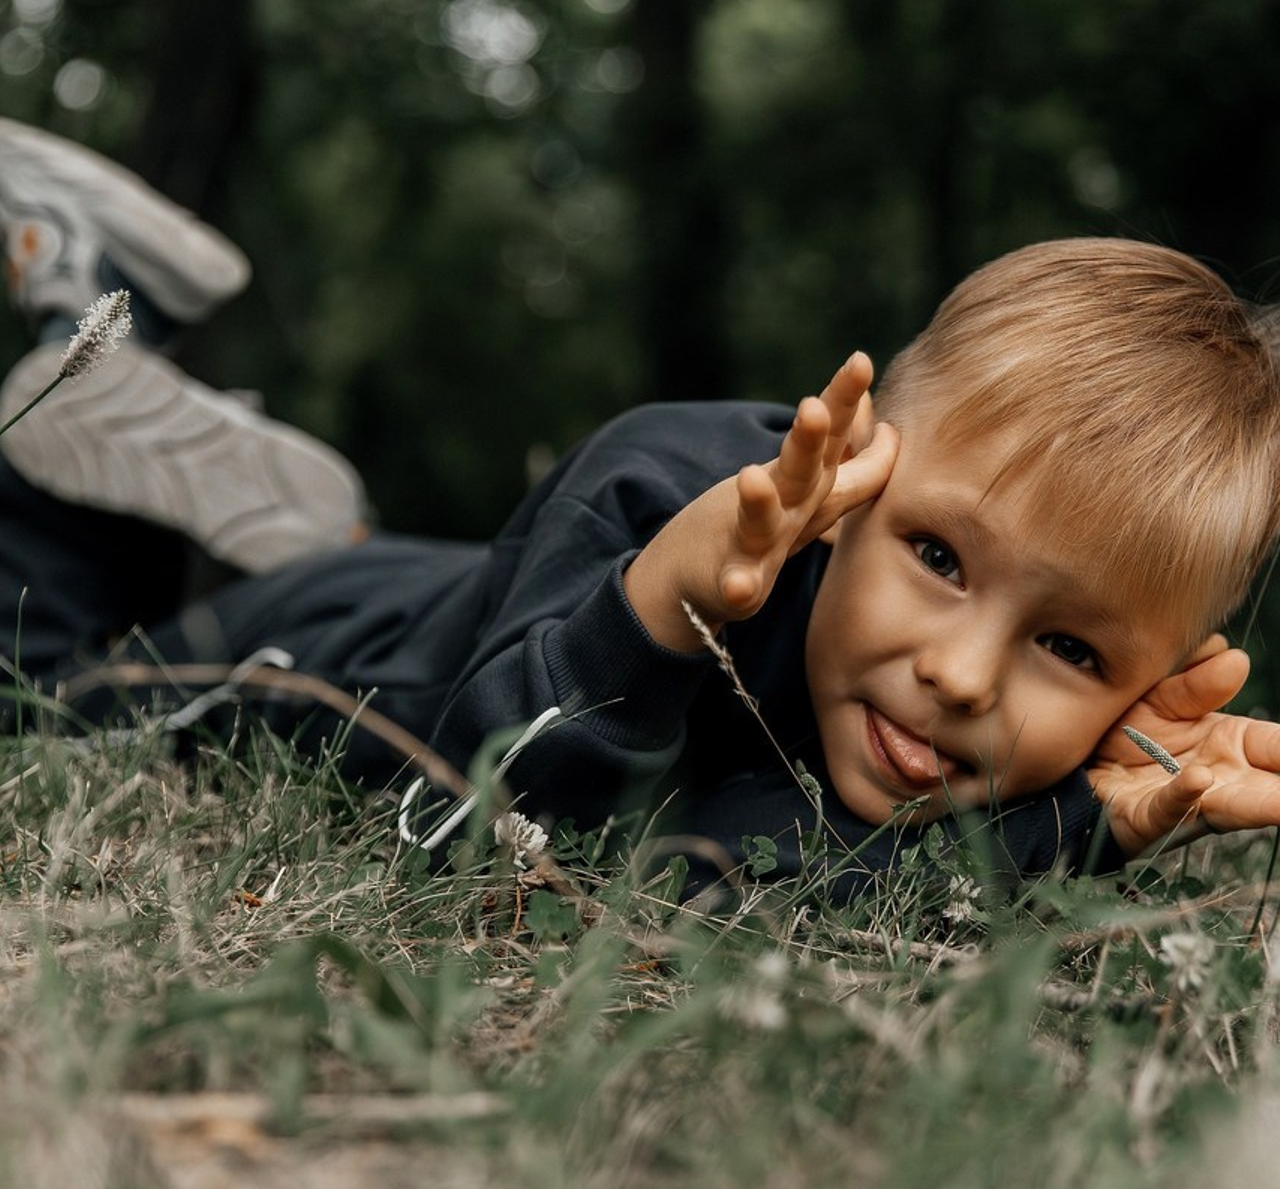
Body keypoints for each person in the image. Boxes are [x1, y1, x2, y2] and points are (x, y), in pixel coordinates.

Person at [2, 116, 1279, 896]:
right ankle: (83, 346)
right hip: (332, 658)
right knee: (50, 702)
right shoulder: (658, 481)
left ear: (1154, 683)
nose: (957, 674)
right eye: (938, 554)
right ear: (867, 467)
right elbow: (476, 833)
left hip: (463, 592)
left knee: (446, 583)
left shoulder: (1004, 756)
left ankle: (217, 452)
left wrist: (1085, 820)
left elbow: (728, 871)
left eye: (1068, 649)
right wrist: (657, 608)